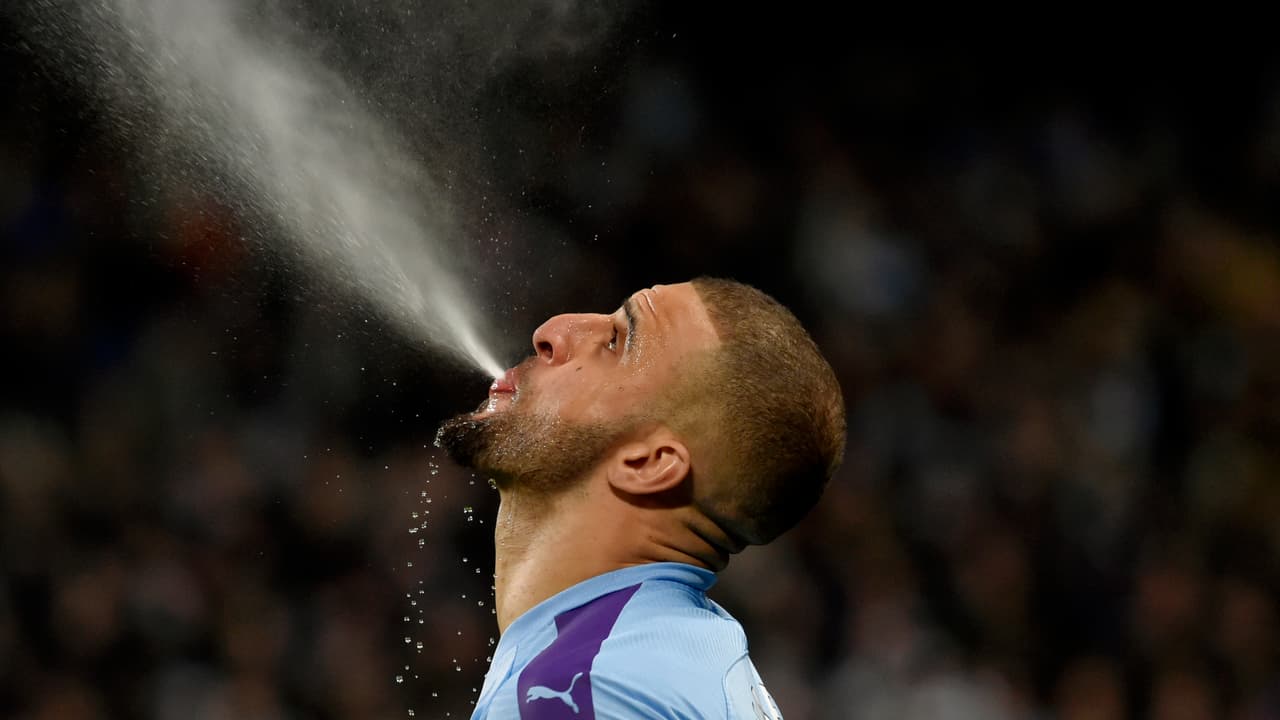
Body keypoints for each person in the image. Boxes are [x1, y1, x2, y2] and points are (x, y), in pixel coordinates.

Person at [436, 277, 846, 719]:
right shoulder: (670, 660)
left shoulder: (586, 688)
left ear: (649, 463)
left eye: (616, 342)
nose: (552, 331)